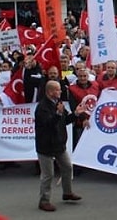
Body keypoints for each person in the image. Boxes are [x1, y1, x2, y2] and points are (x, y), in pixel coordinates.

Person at [35, 80, 85, 212]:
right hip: (45, 146)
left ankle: (67, 192)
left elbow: (65, 120)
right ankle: (44, 201)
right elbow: (48, 124)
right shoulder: (42, 107)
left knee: (68, 167)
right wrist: (57, 114)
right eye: (57, 90)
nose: (60, 91)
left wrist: (76, 114)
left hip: (59, 144)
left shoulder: (59, 104)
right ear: (50, 92)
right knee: (48, 175)